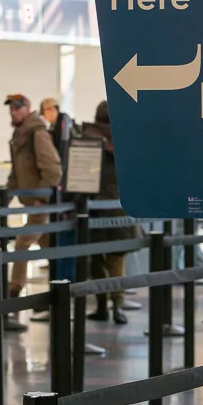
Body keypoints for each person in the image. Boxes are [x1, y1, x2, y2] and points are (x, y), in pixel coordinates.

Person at [82, 100, 141, 325]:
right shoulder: (127, 141)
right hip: (119, 208)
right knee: (116, 261)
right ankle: (117, 305)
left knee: (97, 260)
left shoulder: (88, 137)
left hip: (95, 207)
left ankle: (101, 305)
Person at [5, 94, 63, 298]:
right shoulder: (20, 135)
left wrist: (41, 198)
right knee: (49, 245)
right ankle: (63, 288)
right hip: (31, 202)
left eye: (17, 108)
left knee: (22, 244)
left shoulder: (36, 133)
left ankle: (14, 291)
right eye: (11, 108)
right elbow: (16, 171)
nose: (13, 112)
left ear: (27, 108)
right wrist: (7, 194)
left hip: (40, 204)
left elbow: (53, 168)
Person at [40, 97, 74, 161]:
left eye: (43, 112)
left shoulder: (63, 120)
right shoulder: (55, 125)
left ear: (51, 109)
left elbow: (62, 146)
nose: (44, 116)